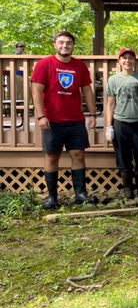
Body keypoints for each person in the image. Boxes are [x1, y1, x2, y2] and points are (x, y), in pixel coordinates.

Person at [31, 31, 98, 209]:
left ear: (72, 46)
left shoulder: (80, 66)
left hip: (75, 119)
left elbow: (88, 91)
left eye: (68, 43)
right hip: (51, 119)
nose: (65, 46)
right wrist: (40, 115)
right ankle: (52, 197)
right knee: (52, 155)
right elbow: (36, 91)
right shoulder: (44, 64)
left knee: (78, 154)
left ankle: (80, 194)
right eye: (61, 42)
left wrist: (92, 114)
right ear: (55, 45)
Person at [105, 48, 138, 199]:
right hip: (120, 122)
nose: (127, 61)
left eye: (130, 58)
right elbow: (110, 104)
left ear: (135, 61)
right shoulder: (113, 80)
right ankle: (127, 187)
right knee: (123, 155)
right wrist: (109, 126)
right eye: (124, 58)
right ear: (119, 61)